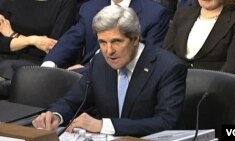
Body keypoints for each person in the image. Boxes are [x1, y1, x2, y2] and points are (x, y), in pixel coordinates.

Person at [32, 5, 187, 137]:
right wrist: (55, 116)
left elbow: (166, 122)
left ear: (135, 39)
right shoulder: (99, 62)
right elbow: (72, 102)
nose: (109, 50)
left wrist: (103, 125)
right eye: (102, 42)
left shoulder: (168, 67)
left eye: (116, 41)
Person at [41, 0, 171, 73]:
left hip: (122, 76)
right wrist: (49, 66)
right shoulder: (90, 7)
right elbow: (71, 39)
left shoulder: (155, 13)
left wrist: (86, 70)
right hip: (84, 75)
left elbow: (146, 58)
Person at [0, 0, 77, 99]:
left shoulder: (65, 3)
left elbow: (52, 46)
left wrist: (13, 37)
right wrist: (32, 40)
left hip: (39, 63)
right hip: (6, 57)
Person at [163, 0, 235, 77]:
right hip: (175, 82)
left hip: (213, 87)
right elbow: (166, 55)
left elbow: (232, 68)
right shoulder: (182, 14)